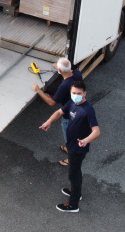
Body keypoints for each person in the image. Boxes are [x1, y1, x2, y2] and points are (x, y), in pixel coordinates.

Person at [39, 80, 100, 213]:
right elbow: (59, 112)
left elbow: (97, 131)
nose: (76, 95)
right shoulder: (72, 102)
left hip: (78, 149)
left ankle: (73, 205)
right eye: (74, 93)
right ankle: (76, 191)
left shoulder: (87, 110)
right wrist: (49, 121)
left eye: (79, 93)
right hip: (71, 145)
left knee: (74, 174)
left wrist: (85, 140)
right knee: (76, 172)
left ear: (85, 93)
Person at [32, 57, 82, 166]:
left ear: (60, 71)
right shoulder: (77, 74)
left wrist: (38, 90)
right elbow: (68, 72)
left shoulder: (64, 86)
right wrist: (58, 67)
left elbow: (51, 103)